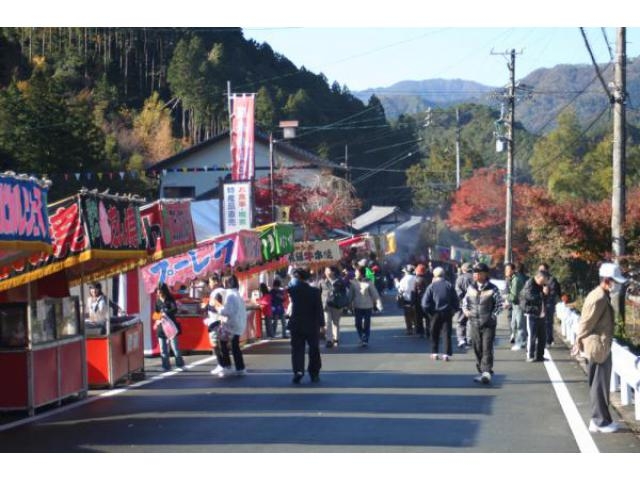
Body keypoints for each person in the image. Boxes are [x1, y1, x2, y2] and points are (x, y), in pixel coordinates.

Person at [571, 262, 627, 433]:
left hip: (598, 346)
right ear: (607, 280)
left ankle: (601, 420)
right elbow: (586, 322)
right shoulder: (600, 297)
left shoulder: (601, 294)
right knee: (599, 385)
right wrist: (577, 341)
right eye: (615, 282)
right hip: (597, 347)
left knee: (599, 384)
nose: (617, 285)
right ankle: (600, 421)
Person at [462, 263, 502, 384]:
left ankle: (486, 372)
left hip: (488, 323)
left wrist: (493, 316)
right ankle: (482, 370)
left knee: (487, 347)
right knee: (477, 347)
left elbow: (499, 305)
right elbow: (464, 302)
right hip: (473, 322)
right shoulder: (471, 288)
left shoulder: (493, 288)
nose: (476, 275)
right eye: (475, 273)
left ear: (485, 274)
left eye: (479, 273)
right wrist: (465, 311)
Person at [287, 268, 324, 384]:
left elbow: (290, 286)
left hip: (297, 324)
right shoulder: (315, 292)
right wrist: (322, 324)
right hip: (312, 324)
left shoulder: (293, 290)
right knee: (314, 349)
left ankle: (298, 370)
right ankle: (314, 373)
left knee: (297, 349)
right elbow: (319, 309)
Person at [422, 266, 458, 361]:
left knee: (434, 332)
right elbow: (456, 300)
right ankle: (446, 354)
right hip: (447, 312)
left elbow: (425, 303)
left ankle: (434, 353)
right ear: (444, 275)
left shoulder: (431, 286)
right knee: (447, 333)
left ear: (434, 275)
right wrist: (453, 311)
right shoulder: (449, 285)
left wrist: (429, 312)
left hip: (435, 313)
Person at [215, 274, 248, 377]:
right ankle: (239, 367)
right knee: (234, 346)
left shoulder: (229, 295)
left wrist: (218, 307)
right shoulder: (236, 294)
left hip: (231, 325)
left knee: (223, 344)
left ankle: (227, 366)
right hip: (238, 324)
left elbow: (227, 311)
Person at [154, 282, 185, 371]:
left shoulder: (170, 299)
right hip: (161, 327)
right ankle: (165, 366)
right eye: (157, 291)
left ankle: (180, 365)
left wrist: (165, 313)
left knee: (175, 347)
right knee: (163, 349)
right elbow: (155, 314)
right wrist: (158, 318)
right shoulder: (157, 301)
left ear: (164, 291)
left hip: (171, 327)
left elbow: (174, 309)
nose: (158, 293)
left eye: (160, 291)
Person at [349, 266, 383, 347]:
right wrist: (348, 304)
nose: (355, 273)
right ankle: (362, 336)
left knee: (367, 323)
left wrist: (379, 304)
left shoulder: (369, 282)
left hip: (368, 306)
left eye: (357, 272)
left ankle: (365, 339)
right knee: (358, 324)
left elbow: (375, 294)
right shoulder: (353, 282)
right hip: (357, 306)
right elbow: (350, 295)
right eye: (355, 272)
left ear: (361, 273)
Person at [520, 270, 549, 362]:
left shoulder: (542, 286)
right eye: (544, 280)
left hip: (541, 314)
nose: (545, 282)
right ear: (539, 277)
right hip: (532, 313)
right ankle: (530, 355)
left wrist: (545, 294)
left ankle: (540, 355)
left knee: (542, 336)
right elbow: (530, 297)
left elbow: (544, 299)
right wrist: (543, 294)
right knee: (532, 335)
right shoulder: (529, 284)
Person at [319, 266, 347, 348]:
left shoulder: (339, 281)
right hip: (326, 305)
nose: (326, 272)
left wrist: (344, 305)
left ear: (333, 272)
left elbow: (344, 293)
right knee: (327, 322)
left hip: (336, 305)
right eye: (325, 270)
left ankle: (336, 338)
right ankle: (329, 340)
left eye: (328, 270)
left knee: (335, 322)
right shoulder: (322, 281)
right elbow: (318, 293)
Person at [506, 263, 528, 351]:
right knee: (514, 323)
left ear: (513, 270)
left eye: (507, 269)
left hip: (519, 304)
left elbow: (514, 294)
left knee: (520, 324)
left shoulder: (516, 279)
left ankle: (521, 342)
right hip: (516, 304)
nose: (506, 271)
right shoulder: (513, 278)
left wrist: (507, 299)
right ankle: (519, 341)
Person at [538, 263, 561, 346]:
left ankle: (549, 339)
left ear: (547, 270)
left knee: (548, 322)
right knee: (541, 322)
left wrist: (547, 293)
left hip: (549, 303)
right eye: (539, 269)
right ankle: (545, 338)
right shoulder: (538, 278)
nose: (541, 271)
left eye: (542, 269)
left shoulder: (551, 279)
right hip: (540, 303)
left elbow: (554, 292)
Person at [454, 262, 474, 348]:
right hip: (473, 303)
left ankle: (461, 339)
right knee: (470, 321)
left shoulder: (460, 278)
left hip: (462, 303)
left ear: (463, 269)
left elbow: (458, 291)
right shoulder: (474, 278)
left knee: (460, 322)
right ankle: (470, 339)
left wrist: (462, 299)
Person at [397, 264, 417, 335]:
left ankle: (409, 329)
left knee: (407, 315)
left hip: (406, 299)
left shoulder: (404, 279)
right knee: (415, 314)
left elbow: (400, 290)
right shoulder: (416, 278)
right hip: (415, 299)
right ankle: (416, 328)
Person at [413, 264, 431, 338]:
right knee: (428, 317)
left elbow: (415, 292)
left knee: (419, 317)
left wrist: (413, 301)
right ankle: (428, 332)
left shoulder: (416, 279)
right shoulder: (429, 278)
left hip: (419, 301)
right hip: (428, 300)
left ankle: (420, 332)